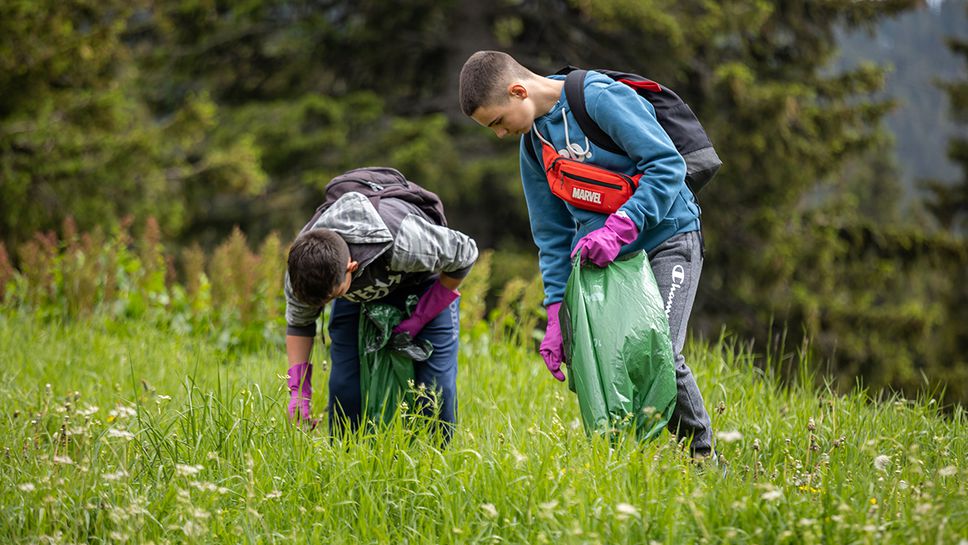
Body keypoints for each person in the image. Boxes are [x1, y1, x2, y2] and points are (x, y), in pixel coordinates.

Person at [459, 51, 713, 459]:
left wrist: (621, 227)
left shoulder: (597, 98)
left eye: (497, 122)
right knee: (613, 360)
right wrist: (557, 310)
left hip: (668, 236)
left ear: (518, 91)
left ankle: (705, 462)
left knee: (657, 349)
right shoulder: (534, 147)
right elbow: (552, 235)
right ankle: (636, 461)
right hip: (608, 264)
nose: (500, 134)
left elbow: (666, 165)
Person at [283, 167, 478, 441]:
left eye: (333, 295)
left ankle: (435, 463)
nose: (326, 304)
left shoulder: (407, 242)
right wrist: (299, 392)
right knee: (345, 389)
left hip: (421, 284)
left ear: (351, 267)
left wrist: (421, 316)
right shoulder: (302, 269)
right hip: (356, 293)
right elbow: (300, 323)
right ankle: (347, 459)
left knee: (434, 391)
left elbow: (466, 254)